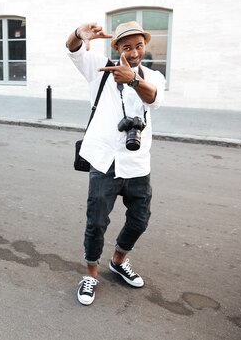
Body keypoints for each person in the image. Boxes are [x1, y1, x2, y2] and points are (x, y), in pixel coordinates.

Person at [65, 21, 166, 306]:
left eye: (138, 46)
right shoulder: (100, 70)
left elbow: (153, 98)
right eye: (126, 47)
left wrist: (132, 80)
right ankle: (91, 274)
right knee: (96, 223)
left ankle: (118, 260)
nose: (133, 53)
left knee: (140, 220)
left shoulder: (154, 76)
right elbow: (72, 50)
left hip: (137, 163)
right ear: (117, 48)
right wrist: (76, 35)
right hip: (104, 162)